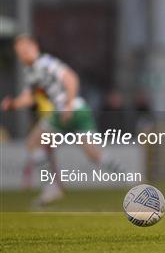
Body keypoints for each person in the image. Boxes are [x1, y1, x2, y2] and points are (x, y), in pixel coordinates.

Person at [1, 35, 123, 205]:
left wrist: (68, 104)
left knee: (34, 143)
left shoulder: (45, 63)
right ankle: (127, 176)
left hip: (68, 109)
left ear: (34, 47)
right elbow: (30, 98)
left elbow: (71, 78)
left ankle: (52, 188)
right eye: (19, 52)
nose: (22, 54)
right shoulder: (31, 71)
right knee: (92, 154)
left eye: (24, 50)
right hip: (75, 110)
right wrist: (13, 104)